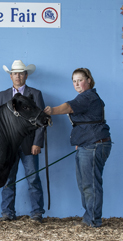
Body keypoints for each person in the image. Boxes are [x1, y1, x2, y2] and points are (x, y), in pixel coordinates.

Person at [44, 68, 111, 228]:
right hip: (88, 144)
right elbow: (87, 121)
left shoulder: (88, 96)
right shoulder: (86, 97)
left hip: (93, 145)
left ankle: (93, 221)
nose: (77, 84)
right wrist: (79, 141)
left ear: (89, 80)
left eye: (80, 80)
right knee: (85, 184)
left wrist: (51, 111)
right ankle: (90, 218)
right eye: (74, 81)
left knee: (90, 184)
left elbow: (69, 107)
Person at [0, 60, 45, 223]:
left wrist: (37, 142)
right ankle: (7, 212)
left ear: (26, 75)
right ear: (10, 76)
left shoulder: (35, 94)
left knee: (32, 178)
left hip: (29, 144)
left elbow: (41, 121)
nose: (18, 76)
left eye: (21, 73)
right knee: (8, 179)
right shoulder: (2, 96)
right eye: (15, 73)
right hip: (8, 146)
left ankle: (37, 213)